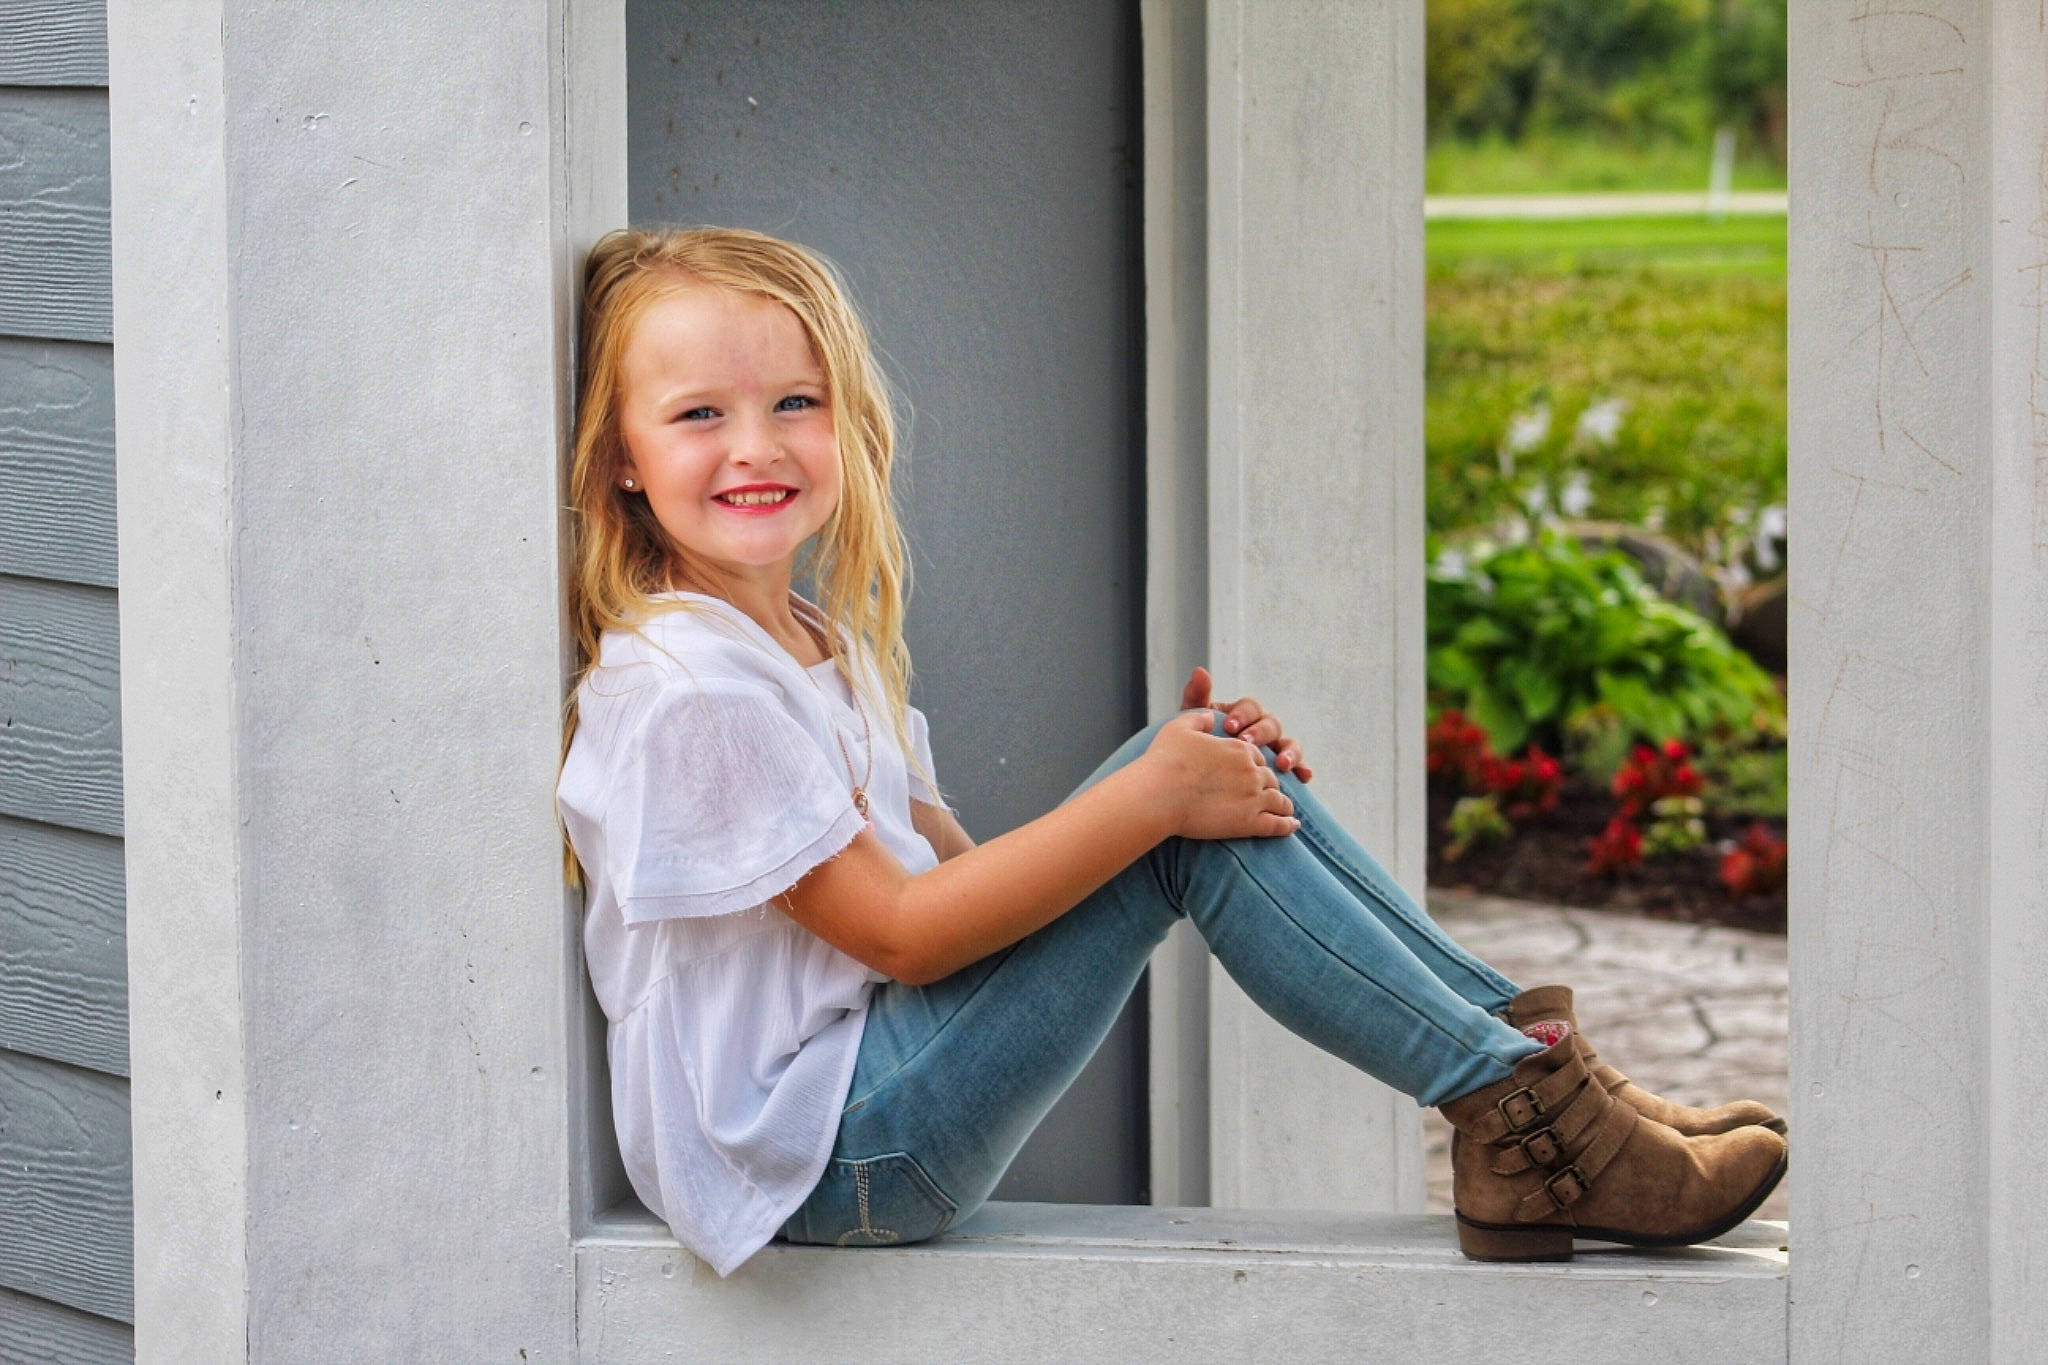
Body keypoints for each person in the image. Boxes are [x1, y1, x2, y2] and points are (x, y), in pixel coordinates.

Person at [554, 226, 1788, 1279]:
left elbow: (961, 883)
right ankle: (1532, 1126)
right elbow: (901, 934)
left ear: (845, 420)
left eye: (793, 403)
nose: (755, 446)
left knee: (1186, 766)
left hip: (863, 1095)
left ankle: (1542, 1088)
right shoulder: (690, 689)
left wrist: (1181, 778)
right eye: (698, 415)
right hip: (816, 1163)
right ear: (620, 455)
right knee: (1169, 813)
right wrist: (1152, 811)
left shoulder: (807, 641)